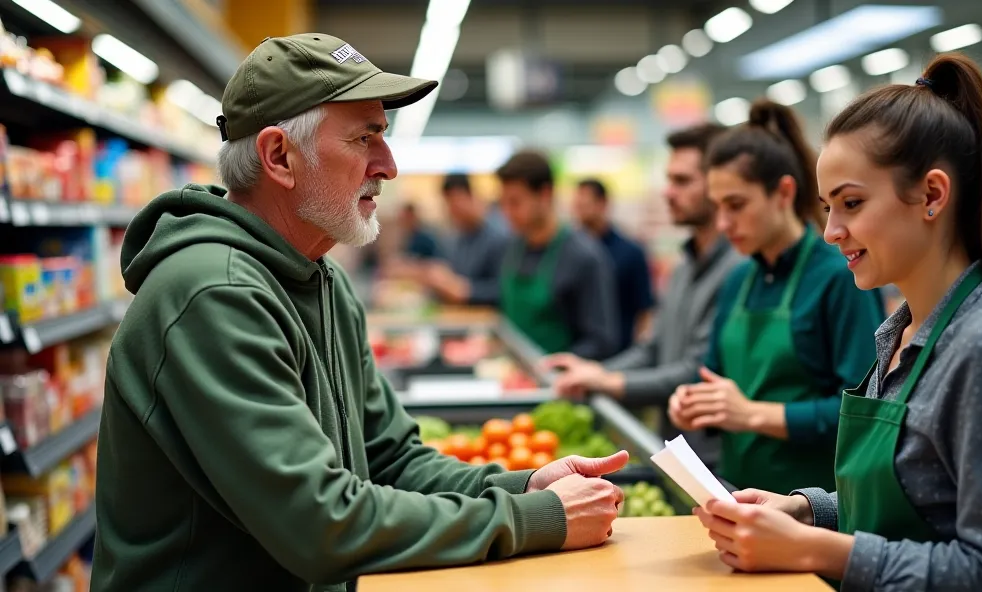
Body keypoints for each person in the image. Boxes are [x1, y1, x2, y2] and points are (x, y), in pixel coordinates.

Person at [91, 33, 628, 592]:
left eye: (384, 137)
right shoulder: (213, 295)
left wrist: (526, 486)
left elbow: (389, 458)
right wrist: (536, 520)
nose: (389, 165)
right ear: (279, 156)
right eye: (364, 138)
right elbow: (322, 525)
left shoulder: (321, 279)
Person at [694, 53, 982, 591]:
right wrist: (807, 509)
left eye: (851, 203)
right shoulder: (901, 333)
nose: (831, 231)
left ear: (932, 196)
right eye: (827, 207)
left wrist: (817, 551)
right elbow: (911, 499)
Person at [668, 99, 885, 495]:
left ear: (783, 192)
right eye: (717, 207)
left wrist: (753, 415)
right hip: (736, 497)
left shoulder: (840, 278)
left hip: (813, 509)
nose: (723, 223)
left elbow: (863, 414)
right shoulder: (737, 281)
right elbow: (713, 377)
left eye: (736, 205)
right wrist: (695, 405)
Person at [541, 124, 743, 450]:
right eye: (669, 179)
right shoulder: (683, 266)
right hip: (678, 446)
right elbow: (654, 348)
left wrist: (610, 381)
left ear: (719, 183)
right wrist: (597, 371)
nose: (668, 192)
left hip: (716, 454)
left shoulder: (739, 268)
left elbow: (697, 370)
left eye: (682, 181)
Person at [496, 150, 620, 359]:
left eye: (515, 203)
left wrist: (554, 365)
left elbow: (601, 341)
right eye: (504, 203)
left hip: (557, 384)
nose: (506, 212)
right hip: (514, 373)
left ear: (544, 194)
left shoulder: (584, 256)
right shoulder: (512, 247)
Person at [572, 178, 656, 353]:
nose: (580, 212)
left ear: (603, 204)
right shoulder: (570, 253)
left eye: (585, 205)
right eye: (577, 206)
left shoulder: (630, 252)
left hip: (619, 351)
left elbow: (644, 309)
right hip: (580, 350)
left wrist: (639, 350)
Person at [407, 172, 510, 306]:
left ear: (471, 197)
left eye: (455, 203)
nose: (451, 210)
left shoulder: (499, 234)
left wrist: (466, 291)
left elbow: (506, 290)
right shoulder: (459, 237)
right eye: (448, 204)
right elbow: (455, 274)